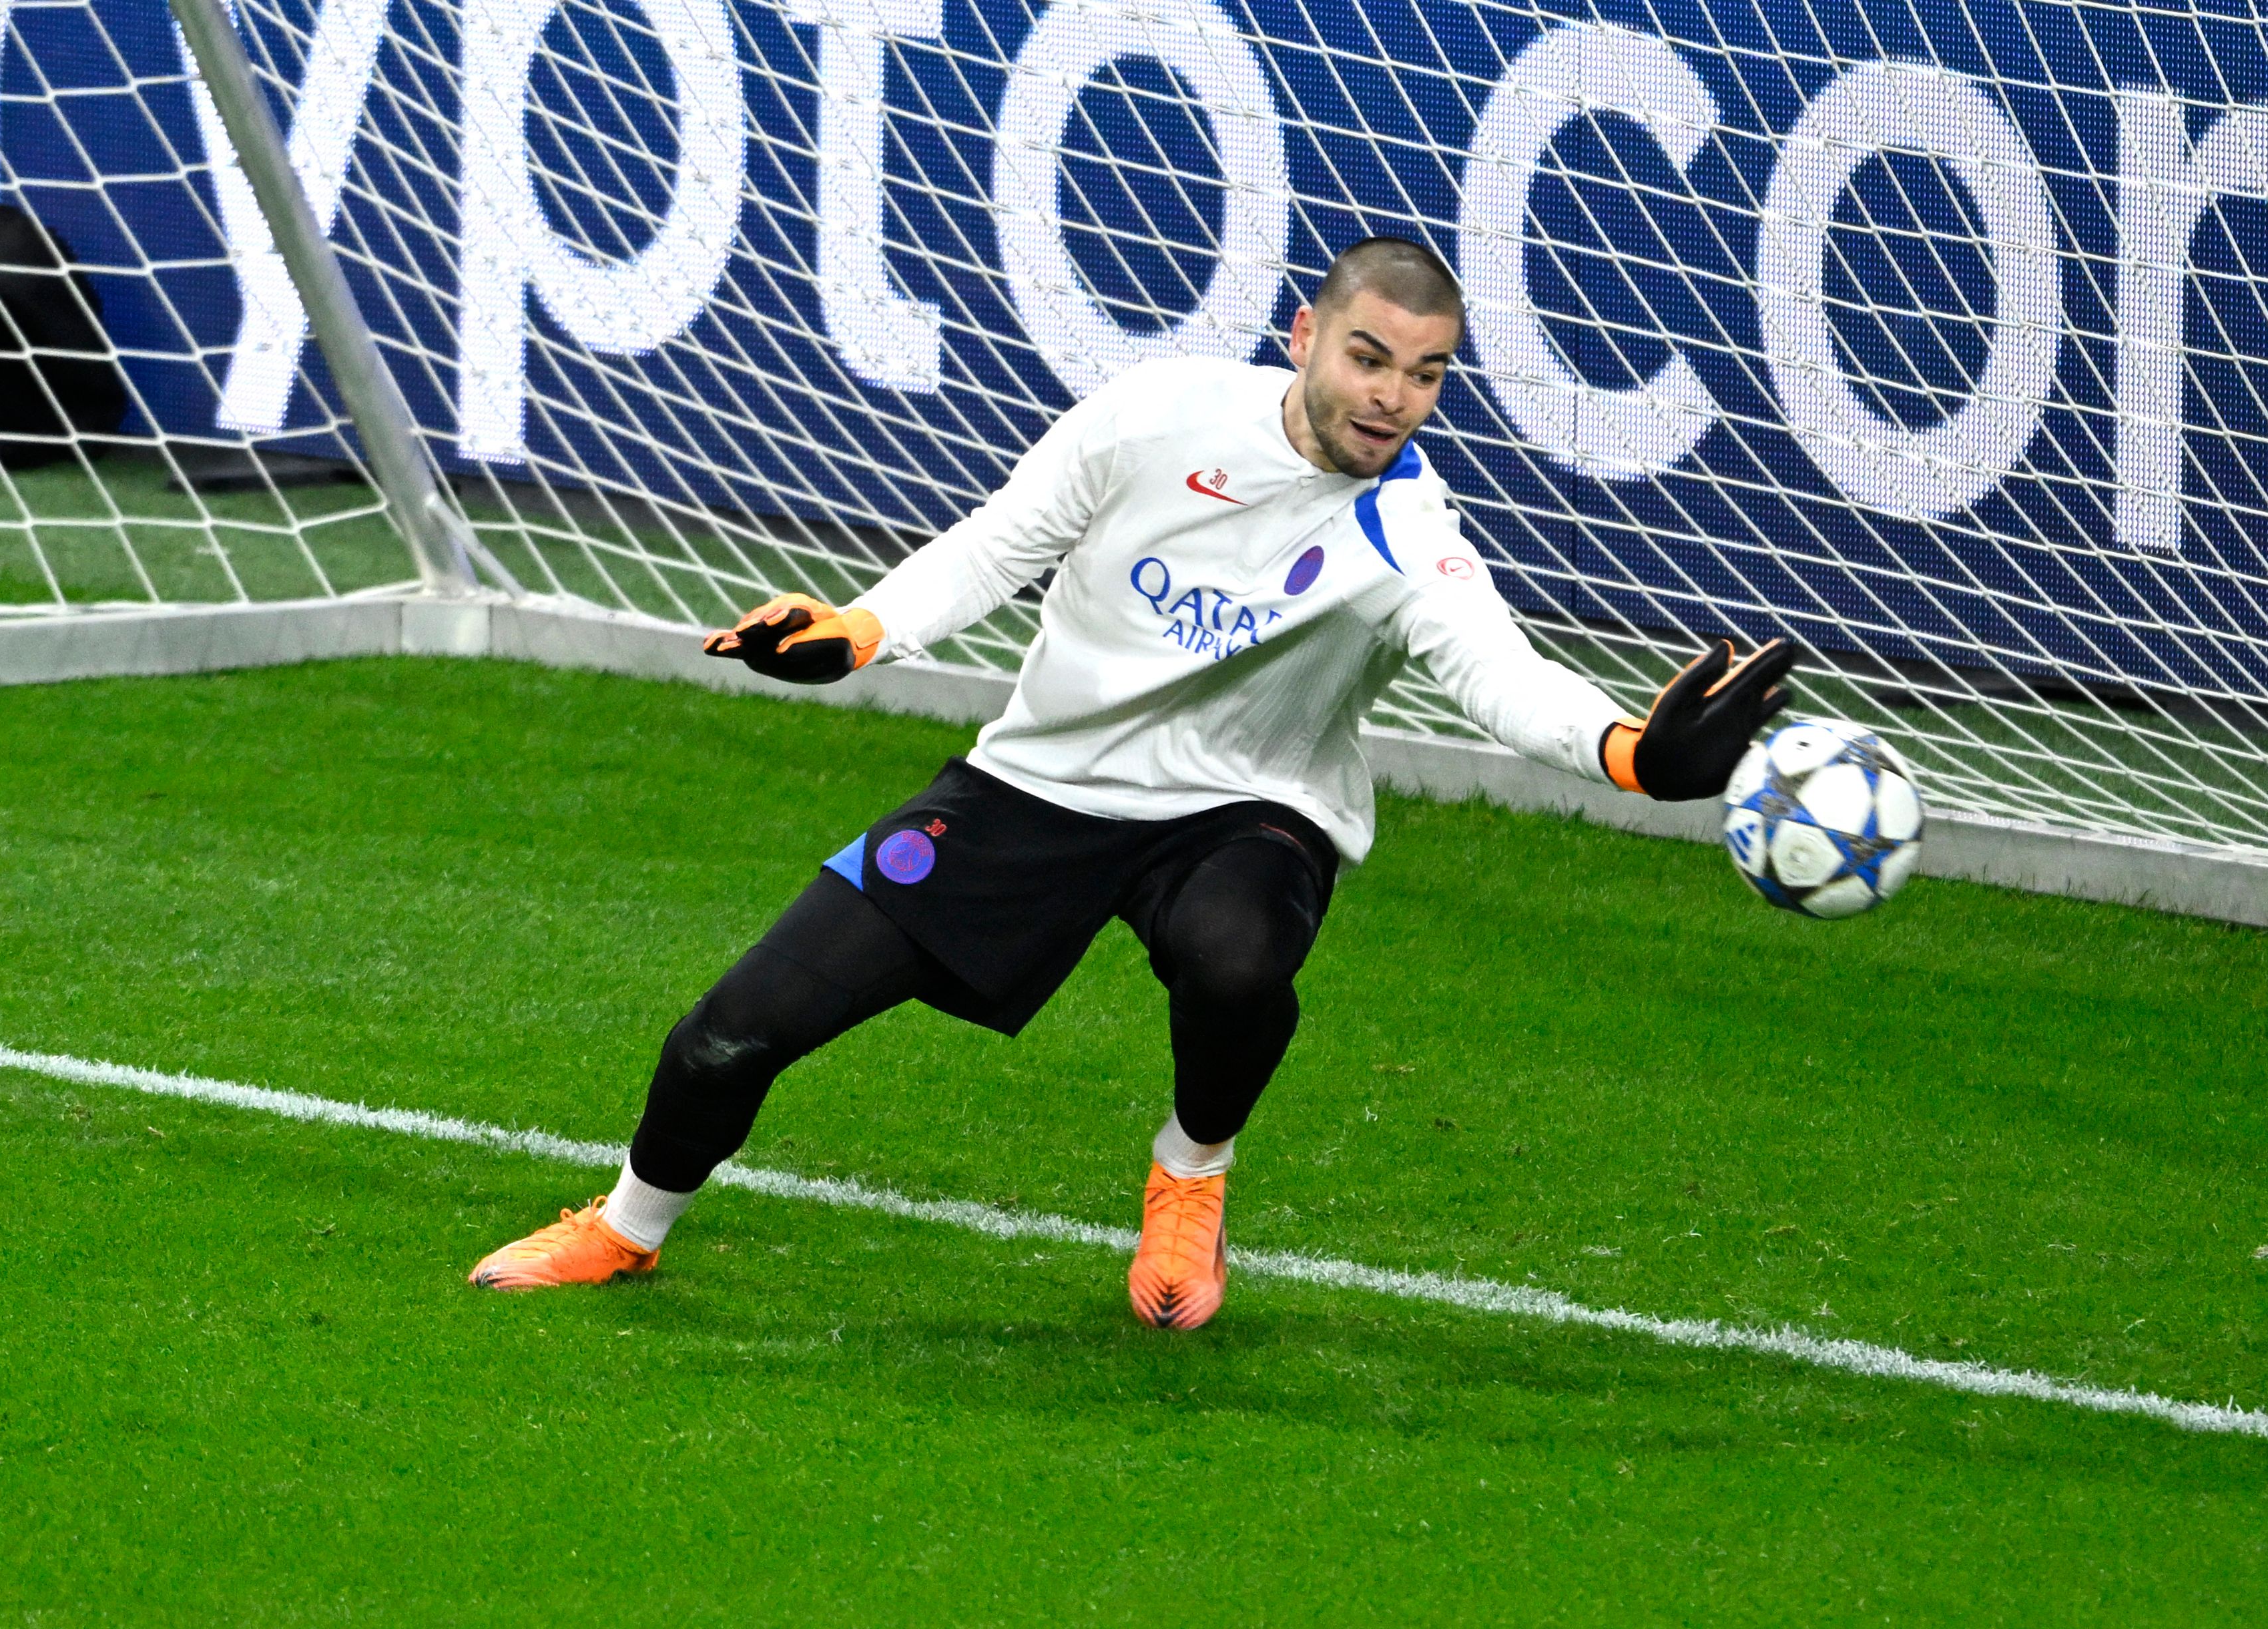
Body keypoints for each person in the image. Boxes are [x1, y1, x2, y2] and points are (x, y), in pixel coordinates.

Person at [469, 236, 1797, 1328]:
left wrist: (1630, 749)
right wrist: (863, 627)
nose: (1394, 397)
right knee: (733, 1027)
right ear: (1304, 338)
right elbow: (995, 547)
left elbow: (1502, 679)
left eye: (1429, 375)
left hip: (1243, 812)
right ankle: (630, 1228)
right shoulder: (1155, 416)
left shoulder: (1408, 531)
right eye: (1370, 356)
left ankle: (1191, 1172)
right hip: (1039, 785)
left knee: (1235, 964)